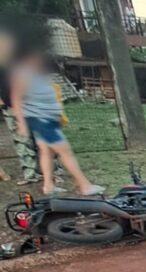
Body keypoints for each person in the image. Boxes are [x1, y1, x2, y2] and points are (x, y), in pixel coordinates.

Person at [10, 49, 103, 195]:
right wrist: (21, 123)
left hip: (47, 119)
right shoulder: (23, 74)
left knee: (46, 151)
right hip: (42, 120)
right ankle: (85, 185)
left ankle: (48, 186)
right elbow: (16, 99)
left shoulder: (35, 73)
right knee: (66, 152)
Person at [0, 29, 63, 185]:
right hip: (10, 105)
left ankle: (52, 172)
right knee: (21, 140)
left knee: (42, 137)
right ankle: (30, 174)